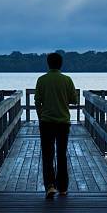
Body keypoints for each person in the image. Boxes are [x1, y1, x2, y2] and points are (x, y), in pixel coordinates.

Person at [35, 52, 79, 199]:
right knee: (61, 154)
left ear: (48, 64)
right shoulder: (67, 80)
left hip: (46, 122)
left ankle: (50, 186)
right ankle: (63, 188)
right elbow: (74, 100)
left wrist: (40, 116)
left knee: (47, 155)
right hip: (63, 122)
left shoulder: (41, 80)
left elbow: (37, 101)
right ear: (61, 64)